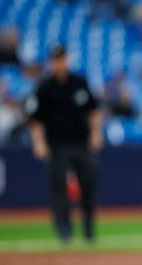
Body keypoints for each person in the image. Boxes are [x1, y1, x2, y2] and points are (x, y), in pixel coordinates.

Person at [26, 44, 103, 243]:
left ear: (67, 60)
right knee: (59, 189)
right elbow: (36, 119)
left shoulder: (79, 83)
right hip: (56, 146)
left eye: (62, 59)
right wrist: (39, 143)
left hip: (81, 144)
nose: (59, 64)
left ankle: (88, 230)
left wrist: (96, 134)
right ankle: (64, 231)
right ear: (52, 63)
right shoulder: (45, 88)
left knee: (88, 185)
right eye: (56, 60)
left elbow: (93, 111)